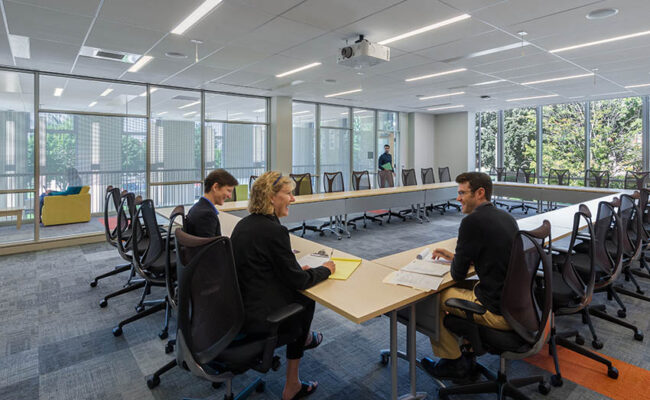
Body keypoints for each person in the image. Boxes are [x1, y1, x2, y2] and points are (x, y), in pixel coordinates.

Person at [230, 171, 336, 400]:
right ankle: (293, 384)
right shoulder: (274, 231)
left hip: (237, 310)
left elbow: (263, 267)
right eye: (289, 194)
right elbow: (299, 281)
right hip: (259, 318)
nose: (294, 199)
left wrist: (295, 270)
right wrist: (326, 269)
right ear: (271, 197)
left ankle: (306, 340)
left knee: (299, 287)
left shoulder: (243, 225)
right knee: (305, 297)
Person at [421, 171, 519, 381]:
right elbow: (494, 254)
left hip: (498, 312)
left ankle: (453, 363)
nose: (458, 198)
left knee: (435, 297)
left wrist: (458, 260)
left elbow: (456, 274)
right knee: (466, 286)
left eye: (462, 193)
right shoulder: (507, 218)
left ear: (480, 193)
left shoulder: (471, 222)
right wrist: (456, 256)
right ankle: (466, 350)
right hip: (518, 306)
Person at [185, 169, 238, 237]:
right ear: (215, 187)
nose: (230, 196)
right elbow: (211, 247)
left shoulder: (197, 207)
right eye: (228, 191)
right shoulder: (207, 215)